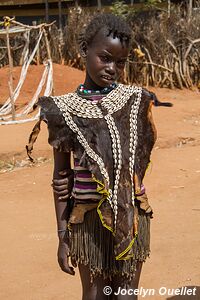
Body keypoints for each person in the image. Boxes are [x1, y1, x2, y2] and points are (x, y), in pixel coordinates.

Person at [26, 13, 156, 300]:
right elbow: (62, 178)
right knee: (96, 294)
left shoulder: (135, 102)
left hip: (130, 214)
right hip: (87, 221)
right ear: (84, 49)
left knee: (126, 295)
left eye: (120, 63)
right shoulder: (62, 110)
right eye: (105, 58)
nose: (112, 68)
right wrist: (63, 236)